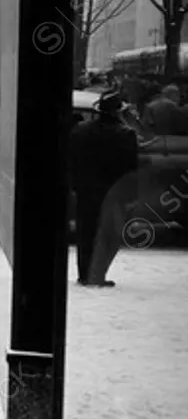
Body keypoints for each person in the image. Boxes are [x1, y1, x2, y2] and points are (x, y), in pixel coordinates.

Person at [68, 91, 139, 287]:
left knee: (85, 231)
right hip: (112, 190)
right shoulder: (126, 134)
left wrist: (76, 184)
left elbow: (71, 160)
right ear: (118, 112)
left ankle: (84, 274)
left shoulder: (80, 130)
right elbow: (130, 166)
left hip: (85, 189)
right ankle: (96, 275)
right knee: (106, 233)